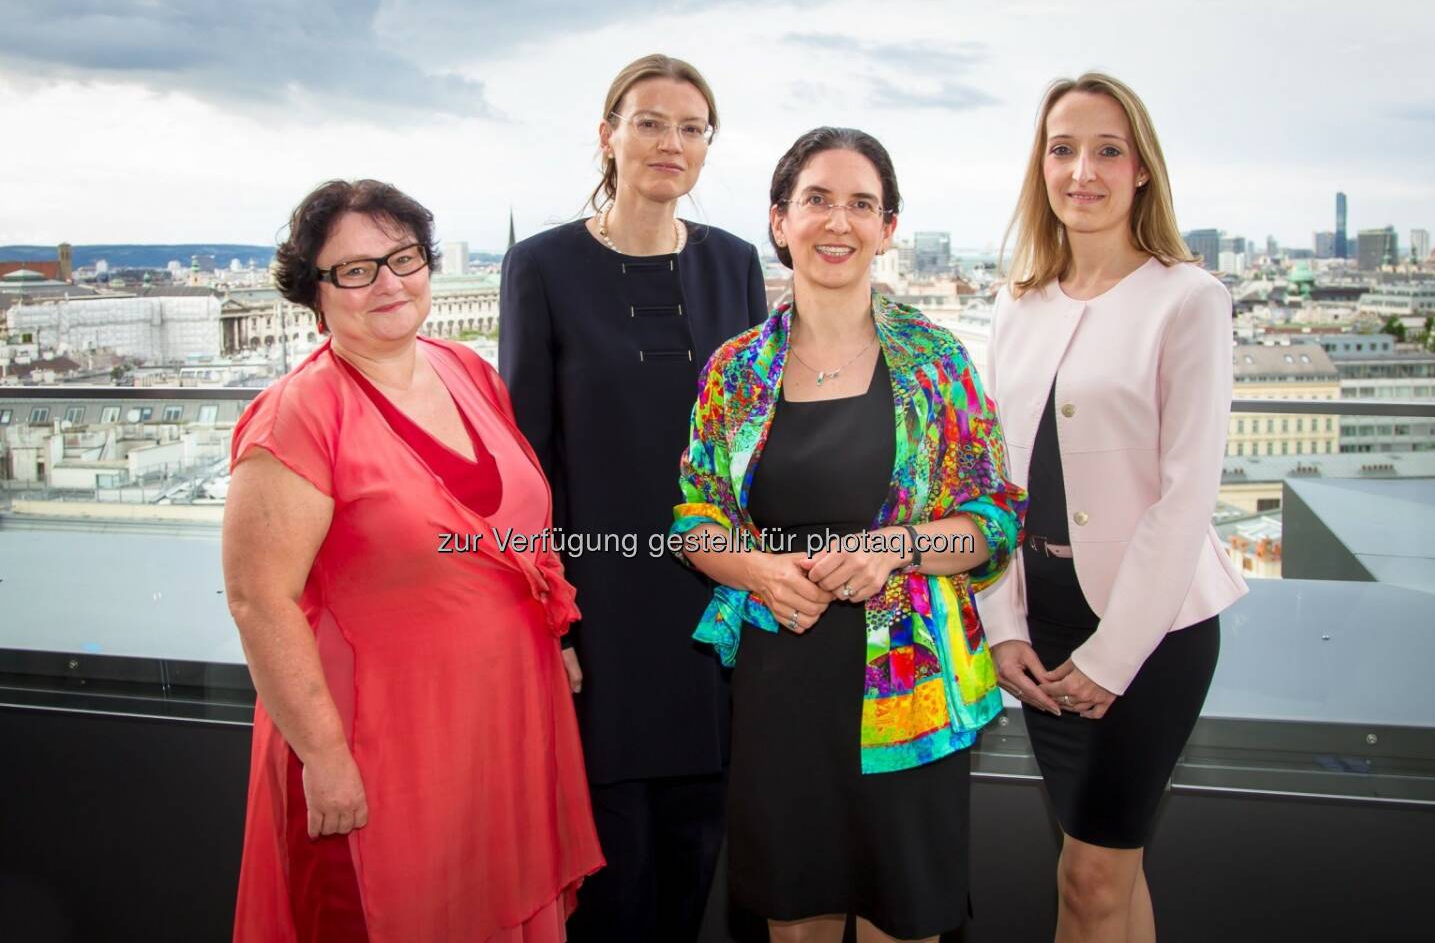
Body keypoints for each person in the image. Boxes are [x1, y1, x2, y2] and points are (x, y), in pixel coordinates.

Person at [671, 127, 1027, 943]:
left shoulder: (936, 362)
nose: (838, 222)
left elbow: (995, 518)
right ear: (779, 220)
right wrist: (756, 570)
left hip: (912, 687)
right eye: (817, 201)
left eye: (861, 204)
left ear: (888, 228)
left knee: (904, 922)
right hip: (782, 678)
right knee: (794, 921)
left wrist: (894, 548)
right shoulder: (734, 369)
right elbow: (695, 518)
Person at [224, 179, 603, 943]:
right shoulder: (300, 413)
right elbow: (258, 599)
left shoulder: (466, 371)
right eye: (356, 270)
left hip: (498, 724)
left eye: (403, 258)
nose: (389, 284)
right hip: (383, 742)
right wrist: (324, 758)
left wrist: (556, 631)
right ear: (316, 293)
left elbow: (522, 527)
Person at [499, 54, 768, 942]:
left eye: (693, 128)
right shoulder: (541, 266)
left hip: (719, 610)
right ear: (607, 134)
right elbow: (528, 463)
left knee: (695, 860)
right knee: (613, 879)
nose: (671, 143)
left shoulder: (735, 264)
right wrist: (553, 621)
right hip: (602, 614)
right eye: (650, 122)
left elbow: (758, 440)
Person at [981, 73, 1249, 943]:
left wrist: (1113, 655)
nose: (1082, 171)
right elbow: (991, 480)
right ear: (1041, 167)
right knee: (1108, 881)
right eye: (1063, 149)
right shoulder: (1017, 304)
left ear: (1142, 170)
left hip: (1151, 633)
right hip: (1042, 632)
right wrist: (1001, 623)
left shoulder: (1188, 299)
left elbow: (1188, 495)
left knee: (1090, 877)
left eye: (1107, 150)